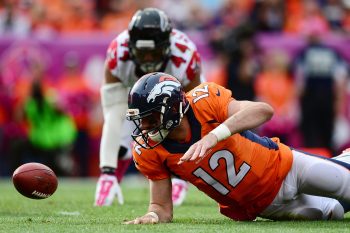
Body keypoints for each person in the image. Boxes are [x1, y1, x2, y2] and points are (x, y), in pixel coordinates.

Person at [124, 72, 350, 224]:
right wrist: (153, 215)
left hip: (285, 166)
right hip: (264, 204)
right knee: (332, 212)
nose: (144, 127)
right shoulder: (149, 150)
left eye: (150, 118)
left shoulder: (205, 100)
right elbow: (161, 207)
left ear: (172, 108)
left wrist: (214, 136)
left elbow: (263, 110)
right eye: (141, 120)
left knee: (343, 183)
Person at [94, 8, 203, 206]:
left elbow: (195, 111)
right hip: (133, 90)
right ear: (131, 46)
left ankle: (180, 177)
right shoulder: (118, 53)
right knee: (121, 126)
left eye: (154, 52)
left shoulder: (184, 56)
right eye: (142, 53)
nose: (148, 60)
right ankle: (111, 176)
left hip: (175, 93)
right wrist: (106, 171)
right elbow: (113, 112)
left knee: (182, 122)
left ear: (167, 47)